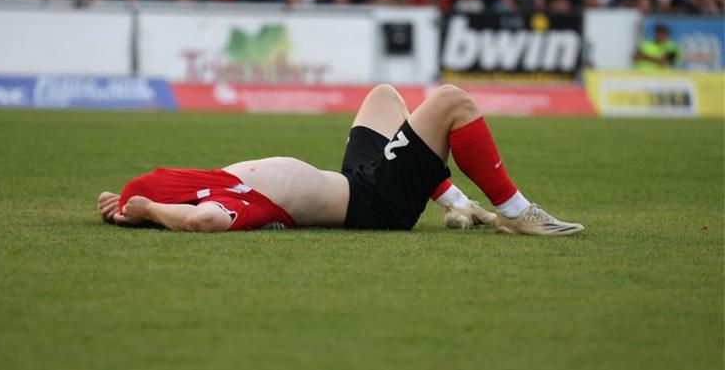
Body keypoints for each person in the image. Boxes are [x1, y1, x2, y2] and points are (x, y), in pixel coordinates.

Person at [98, 84, 583, 236]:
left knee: (384, 97)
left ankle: (457, 203)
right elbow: (202, 221)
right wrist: (147, 211)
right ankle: (518, 213)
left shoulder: (210, 185)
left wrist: (127, 205)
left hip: (358, 180)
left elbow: (187, 204)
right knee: (452, 102)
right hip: (376, 204)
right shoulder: (220, 205)